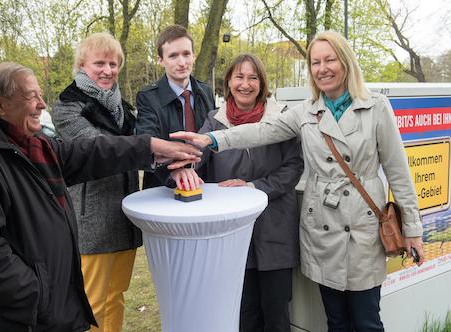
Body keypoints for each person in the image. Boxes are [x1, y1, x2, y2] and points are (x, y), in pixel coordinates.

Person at [171, 31, 425, 331]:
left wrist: (413, 230)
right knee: (336, 320)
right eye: (315, 62)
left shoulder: (376, 107)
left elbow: (399, 173)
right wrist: (212, 138)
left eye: (330, 59)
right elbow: (260, 132)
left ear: (345, 62)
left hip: (363, 228)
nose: (323, 68)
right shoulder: (306, 111)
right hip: (324, 230)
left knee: (367, 320)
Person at [0, 62, 200, 332]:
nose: (42, 104)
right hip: (30, 319)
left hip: (58, 307)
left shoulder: (34, 145)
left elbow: (89, 153)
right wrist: (40, 299)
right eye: (31, 96)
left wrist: (149, 146)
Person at [173, 54, 303, 332]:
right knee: (243, 312)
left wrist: (256, 188)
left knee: (277, 312)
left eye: (253, 77)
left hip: (274, 227)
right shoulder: (213, 120)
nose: (245, 84)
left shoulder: (282, 117)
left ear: (262, 83)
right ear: (229, 82)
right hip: (232, 232)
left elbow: (293, 167)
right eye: (239, 77)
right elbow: (198, 156)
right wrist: (183, 167)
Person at [52, 32, 139, 332]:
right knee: (92, 303)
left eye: (113, 64)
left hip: (125, 218)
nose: (108, 70)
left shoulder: (123, 107)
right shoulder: (67, 106)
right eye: (99, 63)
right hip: (93, 221)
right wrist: (147, 147)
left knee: (116, 297)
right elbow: (98, 148)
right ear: (82, 65)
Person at [135, 24, 215, 189]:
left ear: (194, 56)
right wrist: (173, 171)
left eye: (186, 54)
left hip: (205, 185)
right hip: (163, 188)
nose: (182, 62)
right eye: (173, 56)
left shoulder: (206, 91)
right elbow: (147, 141)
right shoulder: (148, 97)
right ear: (160, 60)